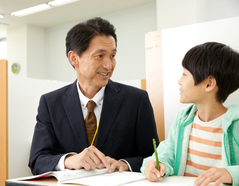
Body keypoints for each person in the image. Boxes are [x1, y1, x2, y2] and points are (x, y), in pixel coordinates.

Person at [29, 17, 159, 175]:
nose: (108, 66)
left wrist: (124, 164)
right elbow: (37, 160)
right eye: (100, 56)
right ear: (74, 58)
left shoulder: (136, 100)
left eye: (112, 56)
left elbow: (154, 157)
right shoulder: (50, 103)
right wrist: (70, 160)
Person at [141, 42, 239, 186]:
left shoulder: (236, 124)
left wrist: (231, 174)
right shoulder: (183, 119)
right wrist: (157, 163)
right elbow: (168, 151)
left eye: (184, 74)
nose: (179, 81)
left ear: (209, 84)